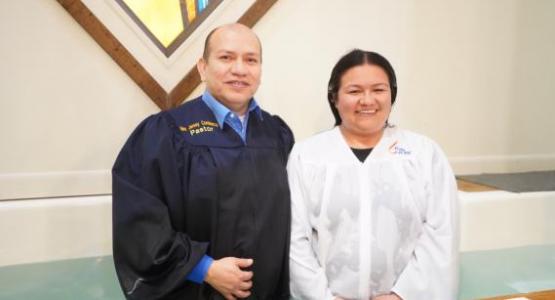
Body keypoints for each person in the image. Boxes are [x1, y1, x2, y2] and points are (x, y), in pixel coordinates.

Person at [112, 23, 293, 300]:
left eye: (251, 60)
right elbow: (140, 222)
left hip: (269, 290)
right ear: (202, 67)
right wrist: (203, 268)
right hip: (197, 291)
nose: (240, 69)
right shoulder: (166, 133)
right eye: (226, 57)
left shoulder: (277, 134)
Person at [288, 49, 459, 300]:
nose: (367, 100)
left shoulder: (423, 154)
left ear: (392, 95)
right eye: (354, 91)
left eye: (378, 90)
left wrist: (402, 295)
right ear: (334, 97)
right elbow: (294, 238)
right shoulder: (307, 156)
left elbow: (442, 232)